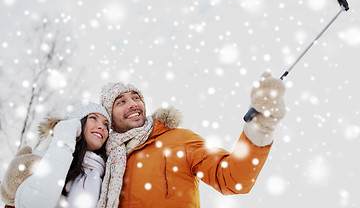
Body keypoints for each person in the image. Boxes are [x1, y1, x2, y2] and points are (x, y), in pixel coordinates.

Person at [97, 71, 286, 208]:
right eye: (121, 101)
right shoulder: (103, 160)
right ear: (110, 117)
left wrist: (258, 129)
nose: (132, 104)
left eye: (136, 98)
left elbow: (232, 178)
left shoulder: (179, 140)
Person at [1, 102, 111, 208]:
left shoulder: (107, 173)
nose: (101, 126)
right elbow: (37, 202)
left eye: (106, 124)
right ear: (77, 123)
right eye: (93, 118)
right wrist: (64, 139)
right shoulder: (40, 160)